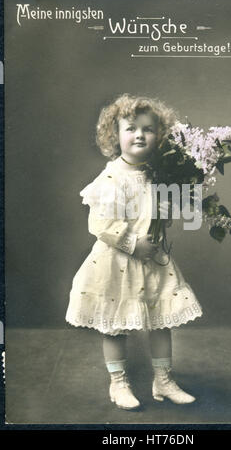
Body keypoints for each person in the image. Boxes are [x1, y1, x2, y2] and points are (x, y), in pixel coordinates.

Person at [65, 94, 203, 410]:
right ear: (116, 135)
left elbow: (157, 215)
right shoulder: (112, 177)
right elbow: (99, 222)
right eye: (131, 128)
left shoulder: (160, 174)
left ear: (159, 135)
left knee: (161, 322)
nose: (139, 135)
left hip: (152, 261)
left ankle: (163, 380)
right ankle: (118, 383)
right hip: (117, 261)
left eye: (148, 129)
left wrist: (169, 207)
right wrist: (131, 243)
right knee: (115, 325)